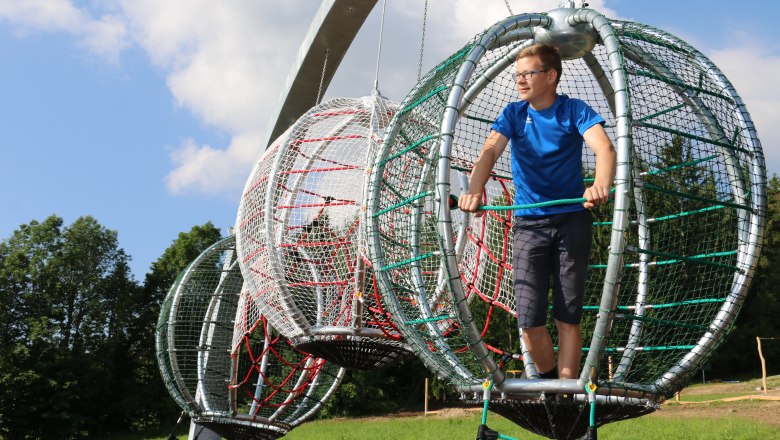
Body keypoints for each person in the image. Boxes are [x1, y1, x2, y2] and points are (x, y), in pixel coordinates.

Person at [458, 44, 616, 381]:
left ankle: (567, 391)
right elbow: (489, 151)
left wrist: (600, 184)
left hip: (572, 221)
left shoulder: (573, 110)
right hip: (529, 225)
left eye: (528, 73)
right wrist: (474, 190)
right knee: (529, 321)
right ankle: (549, 388)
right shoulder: (514, 114)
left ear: (551, 75)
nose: (520, 80)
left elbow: (604, 148)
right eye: (517, 75)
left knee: (568, 317)